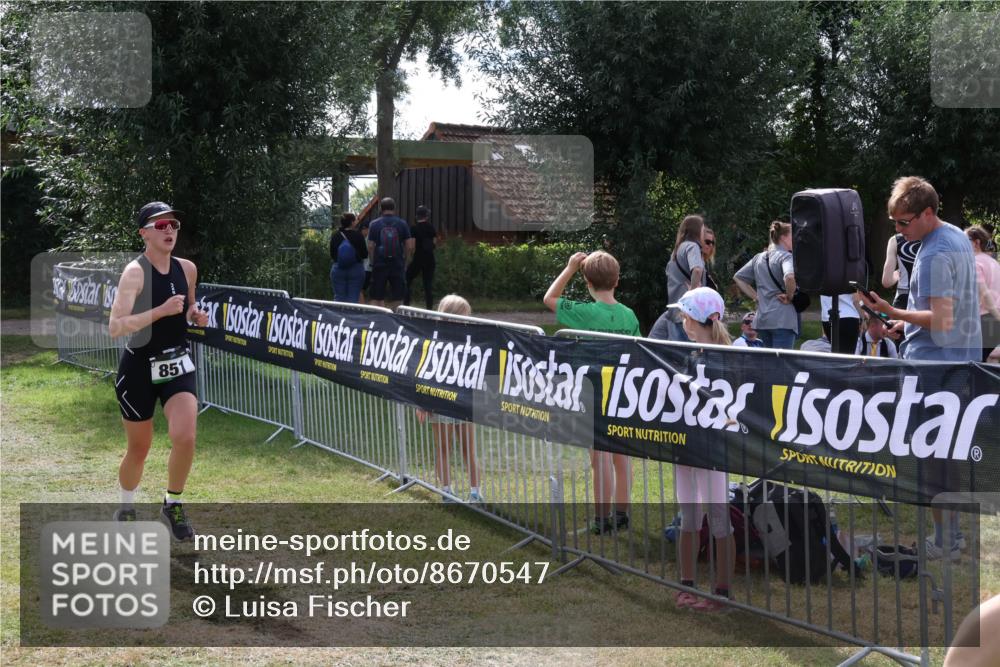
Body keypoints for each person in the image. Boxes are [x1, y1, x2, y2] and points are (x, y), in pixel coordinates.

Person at [859, 176, 982, 560]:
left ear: (928, 213)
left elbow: (943, 319)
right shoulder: (958, 237)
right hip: (956, 362)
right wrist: (906, 324)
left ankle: (945, 542)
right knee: (947, 457)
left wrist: (893, 312)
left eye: (903, 222)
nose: (897, 230)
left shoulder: (932, 253)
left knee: (934, 459)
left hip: (937, 370)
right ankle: (953, 537)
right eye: (894, 222)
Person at [108, 202, 209, 540]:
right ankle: (126, 506)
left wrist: (195, 314)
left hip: (176, 363)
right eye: (161, 225)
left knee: (185, 436)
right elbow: (116, 326)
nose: (169, 231)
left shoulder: (188, 268)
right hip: (138, 366)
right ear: (144, 233)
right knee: (140, 448)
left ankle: (173, 503)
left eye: (174, 225)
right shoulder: (134, 273)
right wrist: (160, 311)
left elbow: (190, 303)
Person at [544, 251, 640, 534]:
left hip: (594, 394)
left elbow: (549, 298)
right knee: (621, 457)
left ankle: (601, 519)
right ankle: (621, 514)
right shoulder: (629, 314)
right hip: (623, 394)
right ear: (617, 280)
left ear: (586, 280)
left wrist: (569, 266)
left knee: (600, 461)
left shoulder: (585, 312)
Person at [658, 286, 735, 613]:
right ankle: (686, 584)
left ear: (697, 320)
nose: (681, 321)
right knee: (688, 518)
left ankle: (722, 591)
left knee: (719, 521)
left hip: (714, 453)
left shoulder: (731, 358)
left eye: (685, 316)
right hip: (686, 449)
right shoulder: (687, 357)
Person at [415, 295, 482, 503]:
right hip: (441, 403)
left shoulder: (471, 341)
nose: (466, 321)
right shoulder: (434, 342)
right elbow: (424, 373)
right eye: (462, 317)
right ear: (448, 317)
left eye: (467, 317)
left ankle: (476, 492)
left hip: (465, 404)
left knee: (469, 450)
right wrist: (423, 404)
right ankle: (447, 491)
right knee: (444, 448)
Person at [733, 221, 800, 349]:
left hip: (763, 319)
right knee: (782, 365)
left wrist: (757, 296)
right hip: (783, 319)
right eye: (793, 235)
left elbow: (738, 277)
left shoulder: (758, 258)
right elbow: (790, 276)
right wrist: (790, 296)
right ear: (783, 238)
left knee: (769, 363)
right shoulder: (786, 257)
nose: (796, 239)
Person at [664, 215, 706, 342]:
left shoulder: (677, 250)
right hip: (689, 312)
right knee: (692, 354)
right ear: (697, 231)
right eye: (703, 229)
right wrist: (692, 294)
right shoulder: (692, 247)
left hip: (675, 310)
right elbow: (697, 269)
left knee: (680, 355)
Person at [366, 197, 413, 308]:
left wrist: (373, 262)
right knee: (398, 297)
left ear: (381, 208)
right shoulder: (402, 224)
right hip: (397, 264)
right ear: (394, 208)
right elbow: (409, 246)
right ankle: (394, 321)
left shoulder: (374, 224)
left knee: (376, 296)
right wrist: (405, 262)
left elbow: (370, 246)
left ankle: (378, 321)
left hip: (379, 265)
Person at [965, 225, 1000, 362]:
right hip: (993, 319)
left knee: (977, 367)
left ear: (976, 242)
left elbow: (984, 295)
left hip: (984, 319)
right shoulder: (994, 263)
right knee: (990, 365)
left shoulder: (973, 262)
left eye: (965, 239)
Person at [329, 212, 368, 303]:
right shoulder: (358, 236)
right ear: (352, 222)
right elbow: (364, 254)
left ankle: (337, 316)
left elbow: (332, 254)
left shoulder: (335, 236)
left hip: (338, 269)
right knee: (353, 299)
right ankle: (351, 316)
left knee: (339, 298)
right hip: (356, 270)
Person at [404, 205, 437, 310]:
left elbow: (412, 246)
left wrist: (409, 258)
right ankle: (429, 308)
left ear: (416, 216)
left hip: (418, 258)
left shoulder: (414, 228)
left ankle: (406, 304)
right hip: (430, 259)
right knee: (428, 284)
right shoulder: (431, 227)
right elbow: (435, 242)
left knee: (407, 279)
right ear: (426, 216)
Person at [882, 232, 922, 310]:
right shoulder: (933, 239)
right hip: (927, 299)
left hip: (902, 298)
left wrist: (897, 274)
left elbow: (887, 281)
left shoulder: (895, 240)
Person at [701, 225, 720, 293]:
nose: (711, 245)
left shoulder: (704, 262)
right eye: (707, 242)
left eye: (712, 243)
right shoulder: (694, 263)